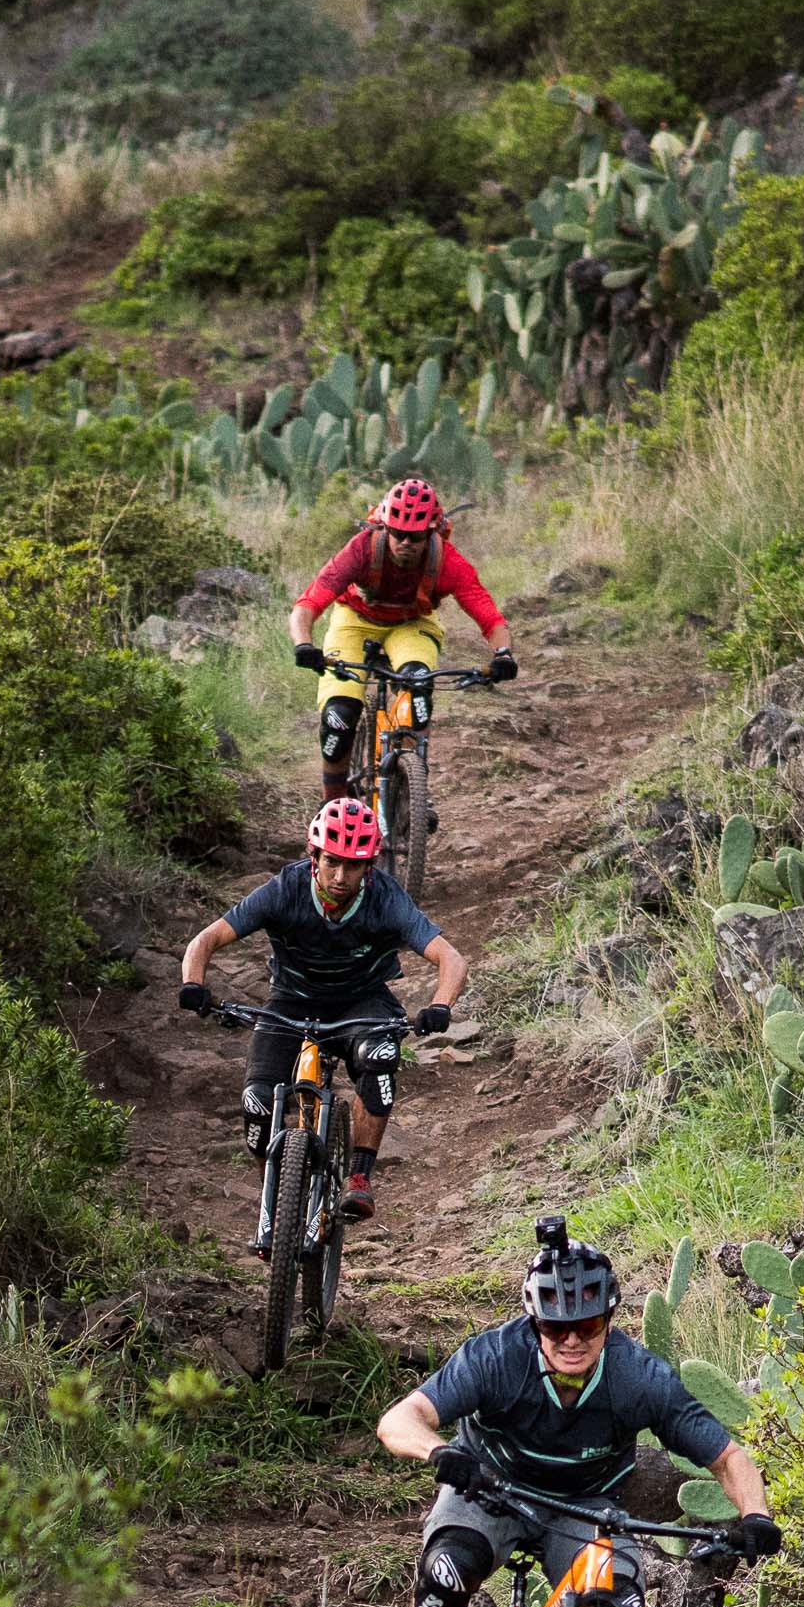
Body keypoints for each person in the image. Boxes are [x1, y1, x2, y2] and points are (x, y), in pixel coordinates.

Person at [376, 1216, 782, 1607]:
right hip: (490, 1490)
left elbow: (728, 1459)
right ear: (533, 1323)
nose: (572, 1340)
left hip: (584, 1507)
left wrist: (756, 1516)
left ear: (609, 1321)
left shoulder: (638, 1377)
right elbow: (398, 1421)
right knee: (449, 1571)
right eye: (554, 1328)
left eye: (587, 1326)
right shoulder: (496, 1357)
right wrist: (440, 1453)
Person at [177, 796, 467, 1228]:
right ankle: (273, 1198)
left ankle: (359, 1177)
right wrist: (193, 984)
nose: (340, 875)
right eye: (332, 861)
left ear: (369, 865)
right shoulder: (284, 889)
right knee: (257, 1100)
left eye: (354, 865)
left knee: (381, 1058)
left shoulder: (386, 898)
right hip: (290, 1002)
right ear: (313, 854)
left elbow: (451, 960)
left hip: (362, 1001)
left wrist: (440, 1005)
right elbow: (206, 940)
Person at [289, 476, 517, 802]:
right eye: (397, 532)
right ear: (384, 527)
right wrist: (304, 645)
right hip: (355, 622)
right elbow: (307, 604)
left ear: (432, 532)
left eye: (416, 535)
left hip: (412, 624)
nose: (405, 541)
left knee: (418, 687)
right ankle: (332, 804)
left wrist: (503, 653)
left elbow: (489, 617)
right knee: (339, 717)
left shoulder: (447, 560)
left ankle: (414, 792)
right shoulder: (361, 550)